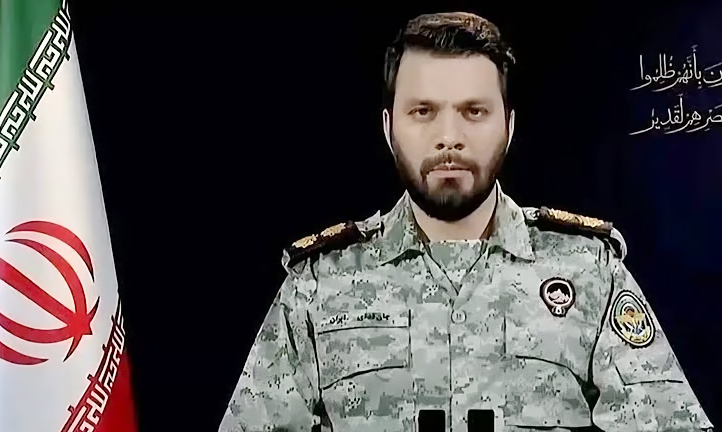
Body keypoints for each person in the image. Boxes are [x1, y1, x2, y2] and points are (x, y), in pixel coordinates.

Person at [219, 12, 714, 432]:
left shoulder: (589, 273)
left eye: (474, 111)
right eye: (423, 112)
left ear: (509, 126)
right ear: (389, 128)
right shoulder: (318, 285)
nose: (449, 136)